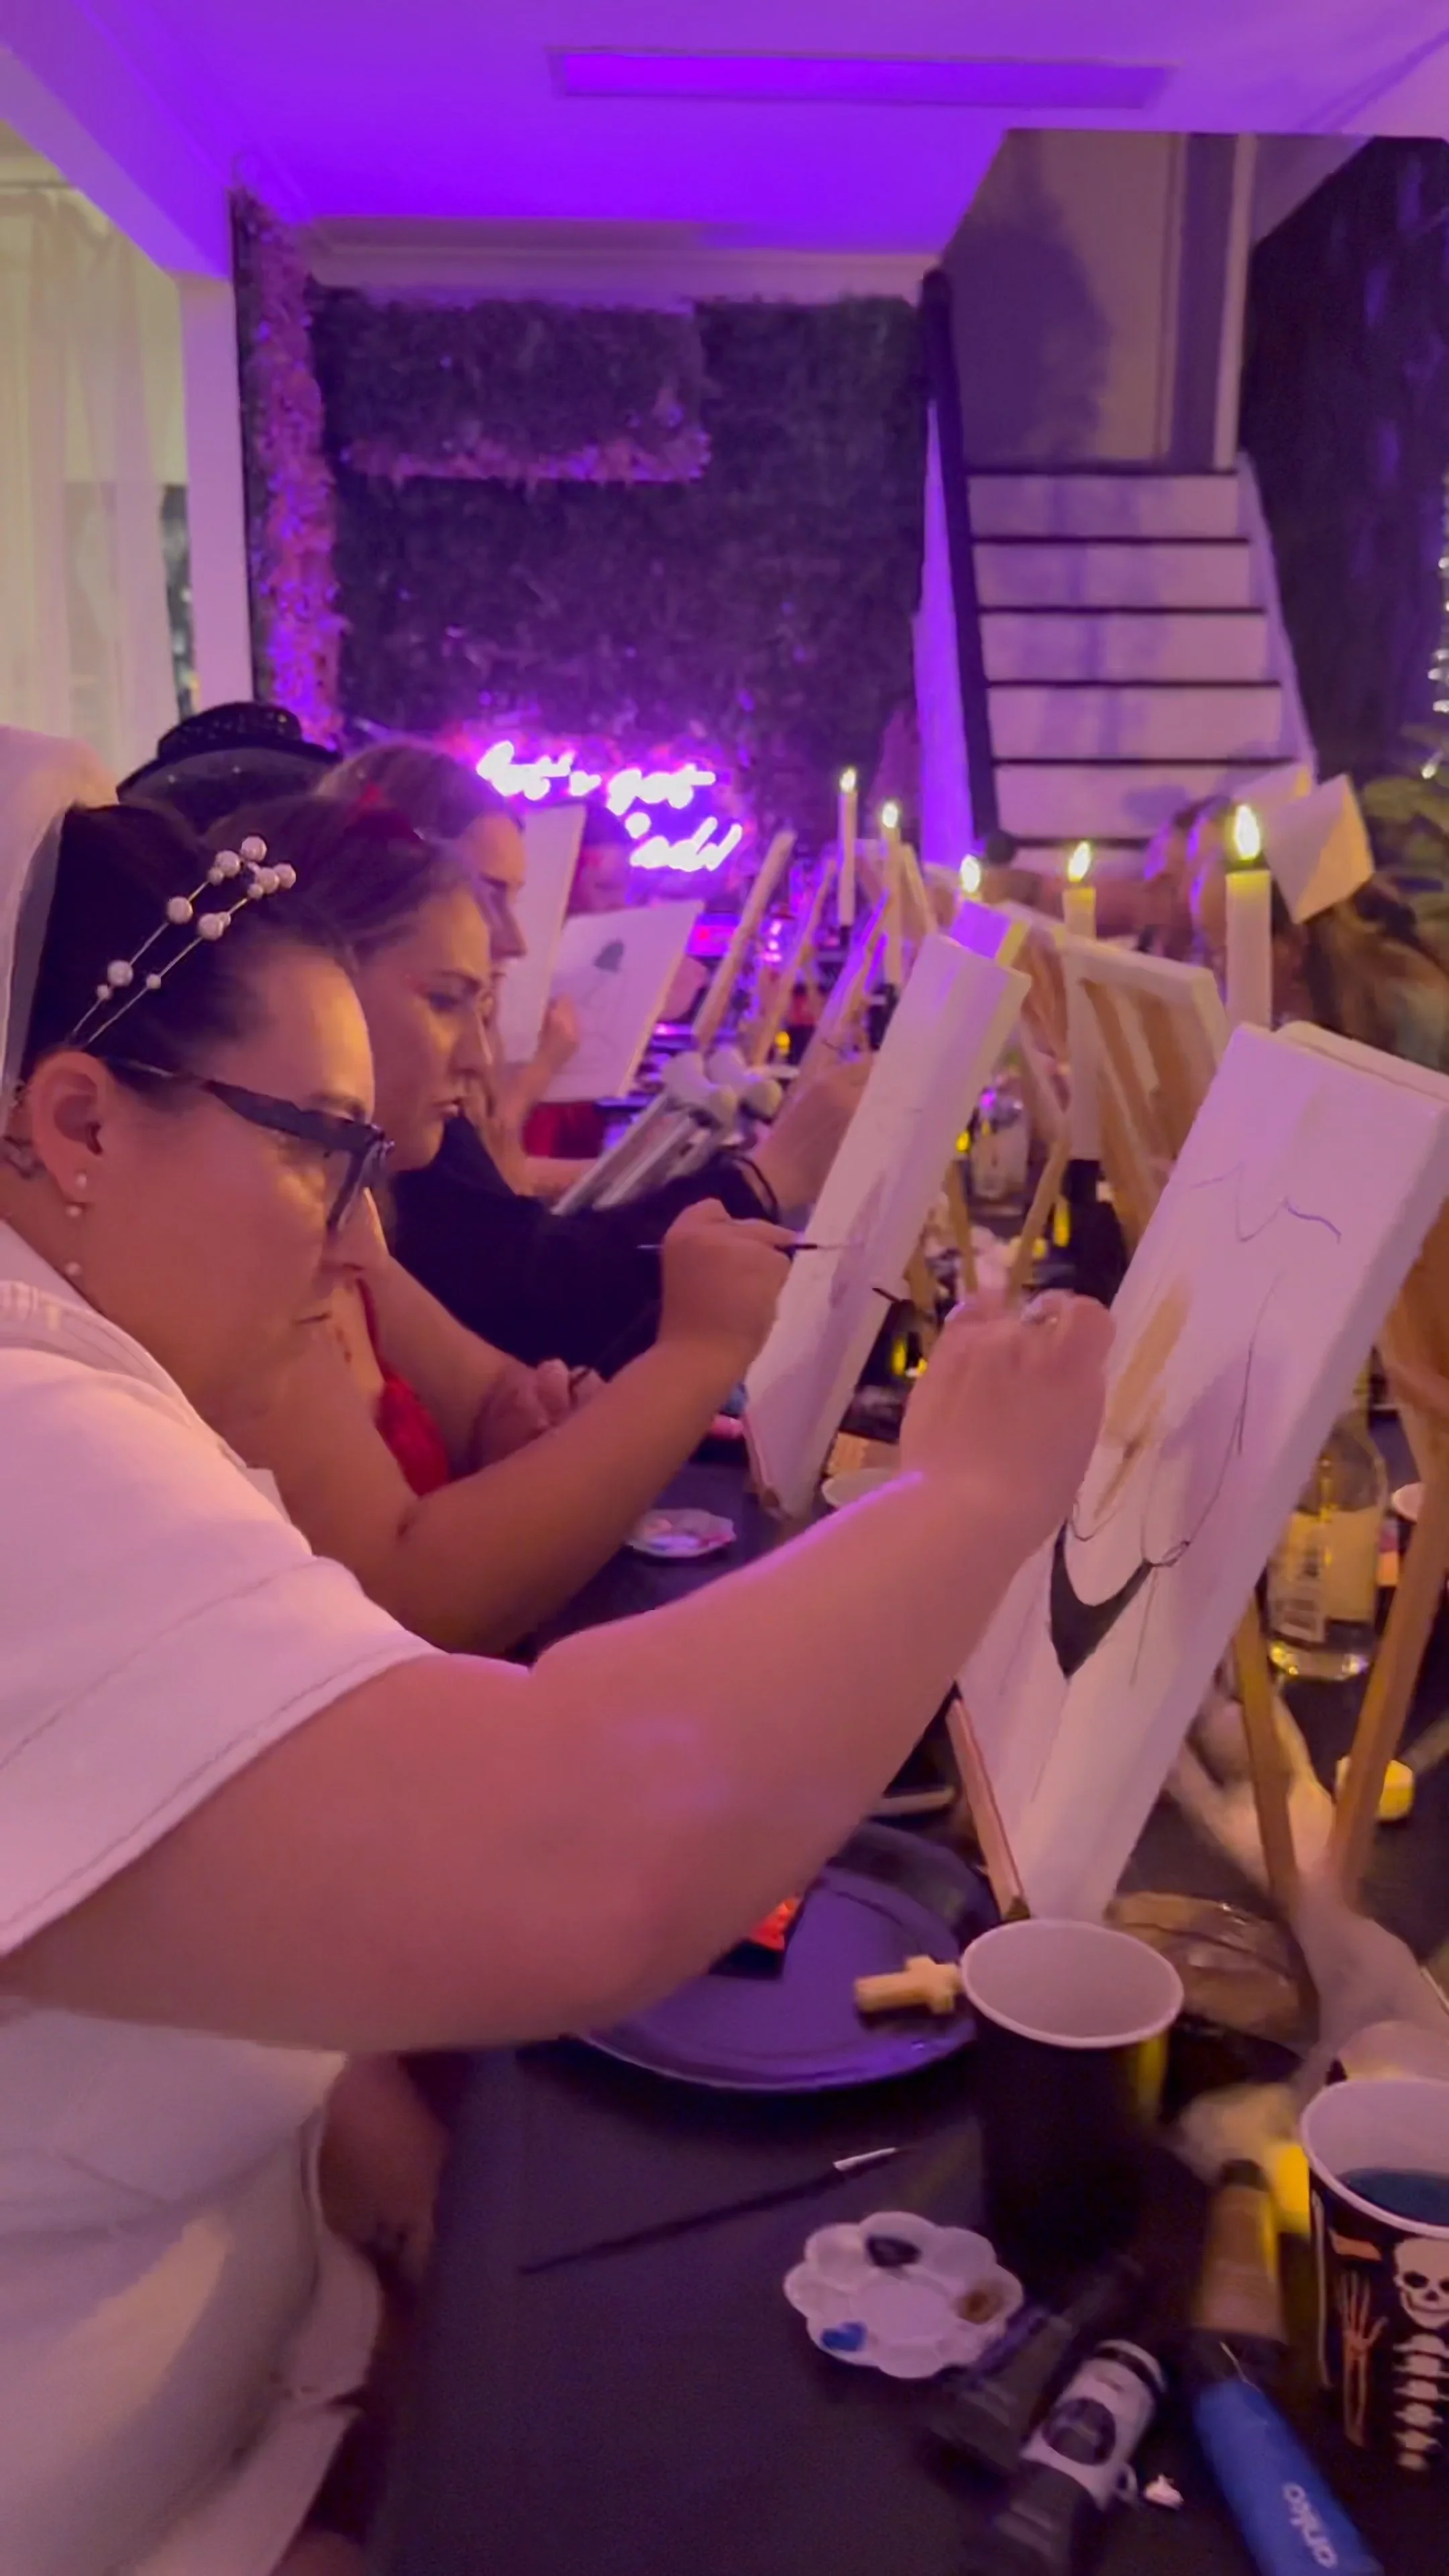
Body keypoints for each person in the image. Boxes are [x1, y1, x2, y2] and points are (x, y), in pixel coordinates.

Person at [0, 726, 1109, 2572]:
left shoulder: (104, 1379)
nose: (367, 1243)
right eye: (324, 1156)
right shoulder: (32, 1436)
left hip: (304, 2423)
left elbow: (201, 1900)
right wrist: (969, 1502)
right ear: (80, 1127)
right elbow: (572, 1845)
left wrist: (435, 2244)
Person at [209, 793, 790, 1653]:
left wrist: (539, 1418)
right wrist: (696, 1355)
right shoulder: (239, 1238)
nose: (480, 1057)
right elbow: (408, 1595)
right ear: (304, 985)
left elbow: (491, 1399)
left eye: (482, 1008)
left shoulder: (349, 1212)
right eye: (446, 1002)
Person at [307, 743, 866, 1368]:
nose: (513, 939)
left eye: (513, 898)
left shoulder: (385, 1148)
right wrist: (759, 1181)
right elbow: (531, 1298)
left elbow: (505, 1346)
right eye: (484, 894)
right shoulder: (332, 1197)